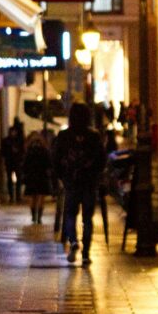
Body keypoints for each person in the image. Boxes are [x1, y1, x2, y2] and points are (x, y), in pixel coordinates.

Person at [56, 100, 108, 266]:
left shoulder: (64, 136)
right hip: (89, 182)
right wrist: (96, 174)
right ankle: (86, 253)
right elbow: (102, 159)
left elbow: (55, 157)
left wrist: (62, 176)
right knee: (87, 217)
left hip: (71, 181)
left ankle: (73, 241)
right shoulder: (93, 136)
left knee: (70, 214)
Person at [22, 124, 54, 227]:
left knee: (33, 197)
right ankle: (39, 217)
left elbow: (25, 164)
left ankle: (33, 216)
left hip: (31, 176)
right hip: (42, 176)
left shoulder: (29, 150)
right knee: (41, 197)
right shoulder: (45, 150)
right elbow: (49, 163)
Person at [1, 117, 25, 203]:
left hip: (16, 162)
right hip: (10, 162)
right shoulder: (7, 141)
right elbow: (3, 152)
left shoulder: (19, 141)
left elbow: (22, 151)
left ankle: (18, 196)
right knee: (10, 180)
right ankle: (12, 197)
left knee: (18, 180)